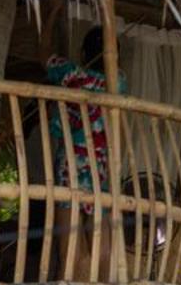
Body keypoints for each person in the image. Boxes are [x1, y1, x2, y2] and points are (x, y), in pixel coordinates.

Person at [44, 24, 123, 192]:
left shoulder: (71, 74)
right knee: (95, 213)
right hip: (101, 161)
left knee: (67, 207)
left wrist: (52, 11)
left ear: (83, 53)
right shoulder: (118, 83)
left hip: (71, 158)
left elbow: (43, 53)